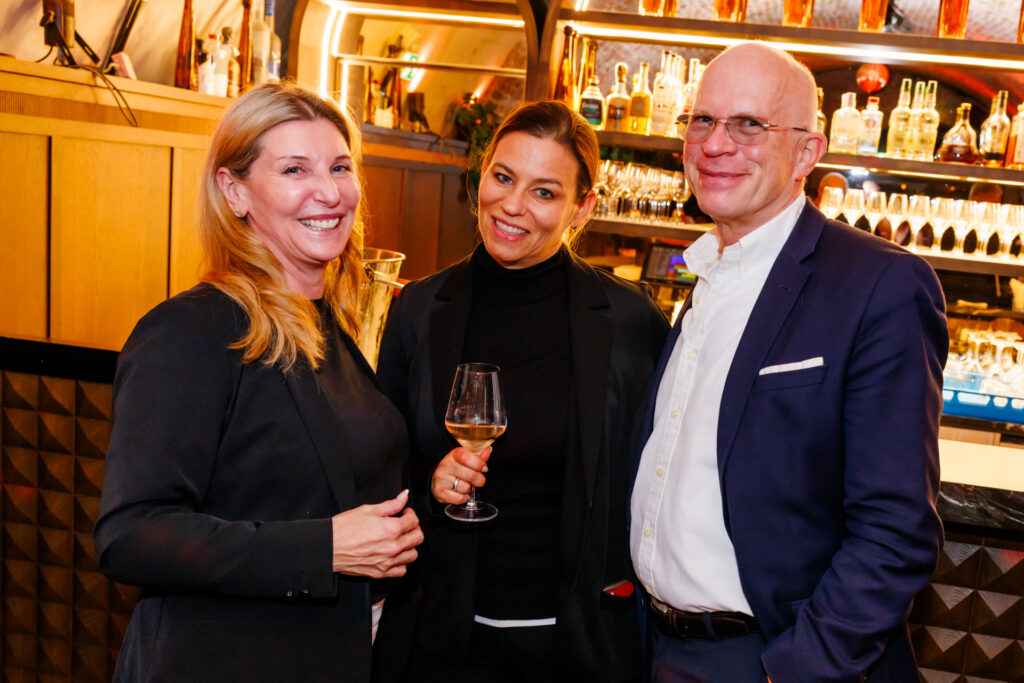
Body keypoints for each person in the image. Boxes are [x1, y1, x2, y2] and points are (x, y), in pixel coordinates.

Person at [631, 43, 948, 682]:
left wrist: (796, 669)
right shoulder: (709, 272)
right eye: (702, 120)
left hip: (770, 656)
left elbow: (897, 528)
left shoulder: (878, 283)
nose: (715, 144)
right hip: (657, 647)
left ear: (807, 153)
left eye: (749, 124)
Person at [93, 82, 423, 682]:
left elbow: (331, 486)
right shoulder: (192, 331)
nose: (330, 192)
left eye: (340, 167)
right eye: (295, 169)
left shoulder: (327, 324)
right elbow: (131, 535)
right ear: (234, 190)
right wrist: (324, 550)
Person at [376, 100, 670, 682]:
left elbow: (659, 479)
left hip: (577, 649)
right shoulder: (419, 309)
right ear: (481, 175)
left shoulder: (630, 322)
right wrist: (431, 485)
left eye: (544, 192)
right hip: (442, 639)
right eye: (503, 177)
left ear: (582, 207)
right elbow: (381, 465)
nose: (512, 205)